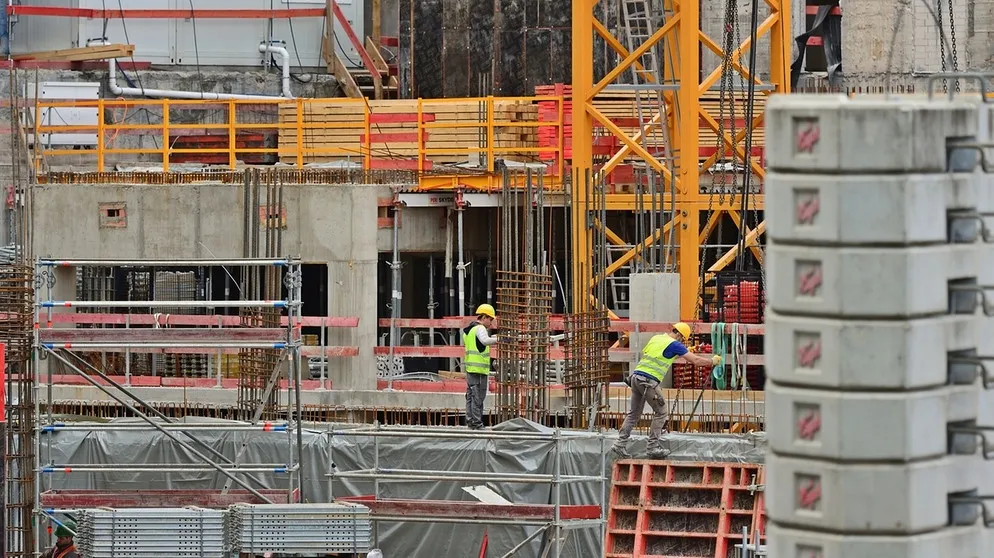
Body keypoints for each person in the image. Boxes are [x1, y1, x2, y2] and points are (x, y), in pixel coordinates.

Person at [612, 322, 722, 459]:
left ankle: (619, 444)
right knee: (661, 412)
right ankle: (652, 447)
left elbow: (662, 355)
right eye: (683, 340)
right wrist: (712, 361)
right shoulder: (675, 344)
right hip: (648, 381)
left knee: (633, 414)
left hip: (636, 378)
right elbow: (695, 360)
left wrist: (684, 351)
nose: (682, 342)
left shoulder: (657, 338)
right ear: (680, 336)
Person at [463, 303, 498, 430]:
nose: (491, 323)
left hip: (470, 368)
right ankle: (477, 424)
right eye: (490, 319)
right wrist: (498, 340)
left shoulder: (469, 330)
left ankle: (471, 421)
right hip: (478, 370)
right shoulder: (480, 328)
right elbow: (484, 341)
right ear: (484, 317)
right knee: (478, 397)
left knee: (471, 396)